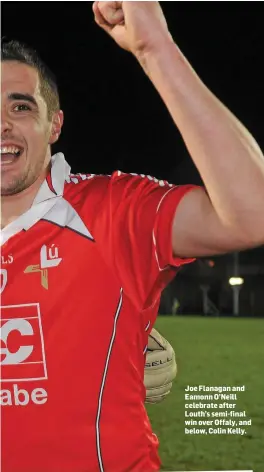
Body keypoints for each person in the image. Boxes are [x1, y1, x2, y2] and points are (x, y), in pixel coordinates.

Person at [1, 2, 264, 471]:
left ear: (54, 125)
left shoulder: (112, 210)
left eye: (21, 106)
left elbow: (253, 214)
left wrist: (154, 49)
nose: (1, 123)